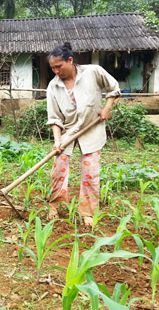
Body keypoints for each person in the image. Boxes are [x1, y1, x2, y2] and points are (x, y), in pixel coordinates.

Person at [46, 42, 120, 226]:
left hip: (92, 129)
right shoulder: (53, 87)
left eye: (59, 66)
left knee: (90, 172)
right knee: (58, 169)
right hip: (68, 131)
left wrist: (107, 107)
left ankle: (87, 212)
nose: (56, 71)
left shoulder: (93, 72)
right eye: (52, 68)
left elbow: (114, 88)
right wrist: (57, 142)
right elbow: (54, 118)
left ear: (70, 60)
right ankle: (54, 206)